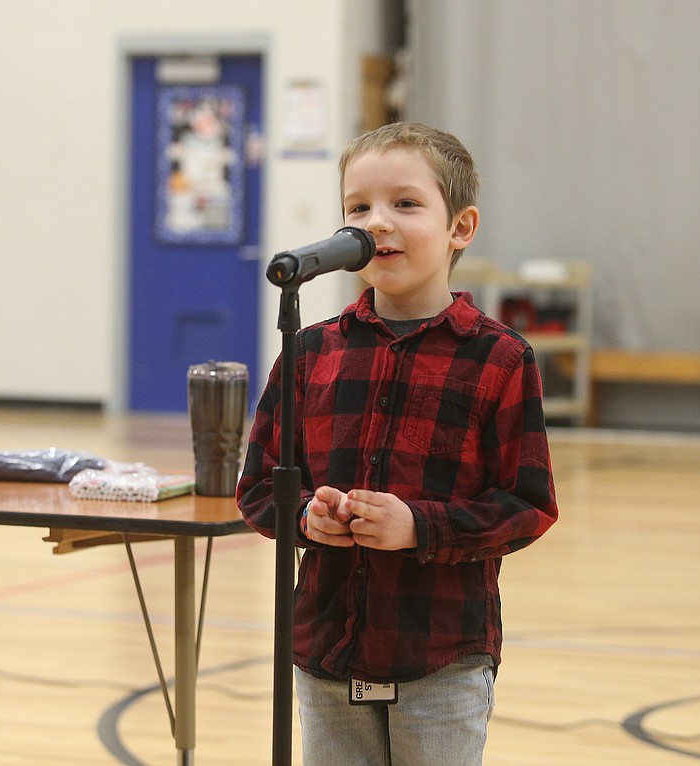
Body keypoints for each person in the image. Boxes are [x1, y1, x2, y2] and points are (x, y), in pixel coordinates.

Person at [236, 121, 558, 766]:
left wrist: (421, 527)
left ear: (460, 228)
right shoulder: (310, 352)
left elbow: (527, 506)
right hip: (325, 650)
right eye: (358, 207)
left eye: (405, 204)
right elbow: (258, 487)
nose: (376, 222)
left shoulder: (499, 357)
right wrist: (307, 518)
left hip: (440, 657)